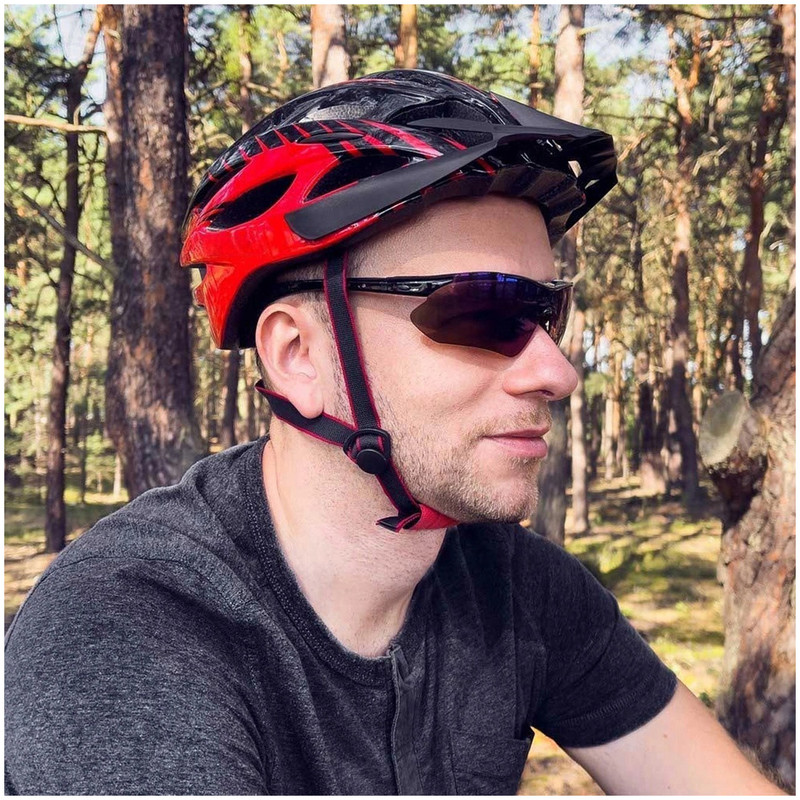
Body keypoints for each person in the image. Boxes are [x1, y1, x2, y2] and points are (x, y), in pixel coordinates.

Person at [4, 70, 784, 796]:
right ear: (297, 354)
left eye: (547, 313)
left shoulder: (516, 589)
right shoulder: (120, 635)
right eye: (483, 310)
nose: (556, 371)